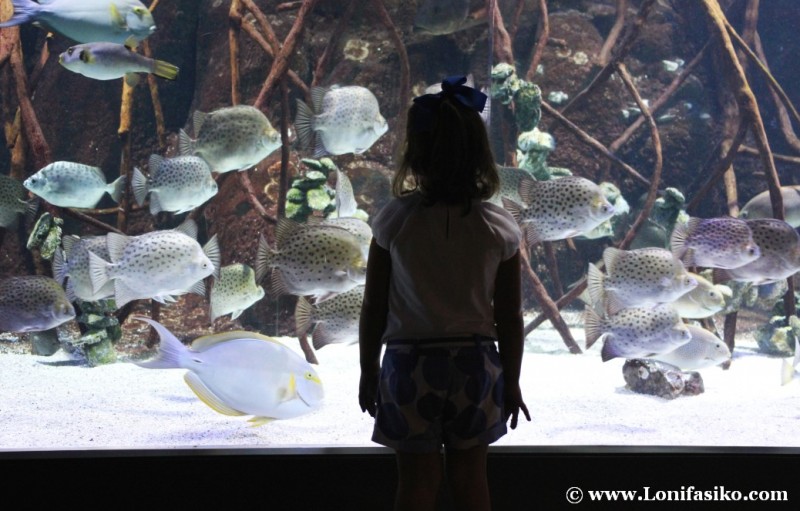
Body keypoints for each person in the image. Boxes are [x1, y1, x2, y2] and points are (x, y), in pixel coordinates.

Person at [359, 75, 531, 511]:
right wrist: (511, 382)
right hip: (477, 365)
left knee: (416, 484)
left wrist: (367, 370)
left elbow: (374, 306)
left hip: (407, 365)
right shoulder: (500, 227)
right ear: (480, 156)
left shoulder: (393, 221)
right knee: (472, 479)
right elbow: (509, 317)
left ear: (413, 155)